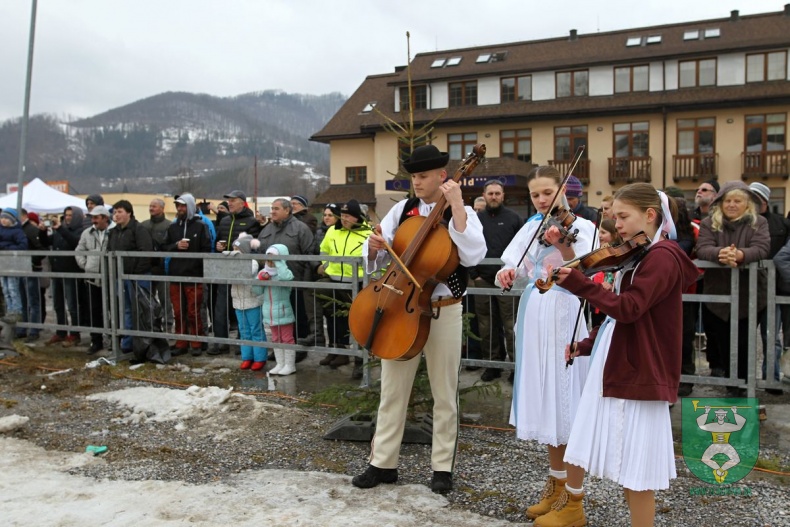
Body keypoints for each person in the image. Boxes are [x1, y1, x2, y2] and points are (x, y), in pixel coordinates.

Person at [554, 183, 698, 527]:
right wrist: (586, 345)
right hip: (621, 360)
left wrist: (579, 284)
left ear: (649, 216)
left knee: (638, 468)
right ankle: (577, 505)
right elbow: (617, 320)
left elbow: (630, 309)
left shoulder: (662, 257)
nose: (616, 224)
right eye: (613, 216)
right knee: (626, 462)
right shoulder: (642, 254)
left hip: (641, 369)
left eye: (623, 216)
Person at [351, 144, 486, 494]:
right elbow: (383, 259)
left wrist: (456, 204)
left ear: (443, 176)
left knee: (445, 392)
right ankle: (382, 463)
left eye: (423, 176)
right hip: (400, 307)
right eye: (413, 176)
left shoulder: (463, 211)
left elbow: (473, 254)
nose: (417, 182)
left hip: (444, 309)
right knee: (393, 390)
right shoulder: (403, 209)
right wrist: (374, 249)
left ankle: (442, 468)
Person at [495, 165, 596, 524]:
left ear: (563, 191)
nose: (541, 200)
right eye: (535, 194)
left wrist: (562, 241)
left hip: (566, 313)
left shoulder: (583, 227)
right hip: (536, 313)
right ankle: (555, 487)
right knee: (549, 406)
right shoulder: (529, 227)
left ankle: (574, 500)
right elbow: (515, 265)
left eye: (547, 193)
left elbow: (588, 271)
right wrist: (506, 273)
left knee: (566, 404)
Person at [695, 181, 769, 395]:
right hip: (717, 294)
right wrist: (722, 254)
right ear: (721, 202)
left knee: (745, 343)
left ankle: (744, 387)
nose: (732, 205)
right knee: (722, 342)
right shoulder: (710, 223)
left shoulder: (759, 222)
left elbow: (762, 248)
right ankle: (731, 385)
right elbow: (703, 248)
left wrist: (740, 255)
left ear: (747, 204)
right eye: (728, 200)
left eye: (738, 201)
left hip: (751, 295)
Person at [471, 180, 522, 382]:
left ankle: (514, 366)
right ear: (484, 194)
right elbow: (467, 245)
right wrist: (474, 273)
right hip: (482, 279)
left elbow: (522, 247)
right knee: (486, 324)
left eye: (497, 193)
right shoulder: (475, 220)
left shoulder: (514, 219)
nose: (494, 196)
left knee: (510, 324)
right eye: (490, 193)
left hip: (507, 280)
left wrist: (515, 272)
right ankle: (492, 364)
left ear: (503, 195)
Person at [317, 199, 373, 379]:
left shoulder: (368, 234)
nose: (344, 219)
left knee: (359, 324)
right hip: (334, 281)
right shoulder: (333, 230)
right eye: (342, 215)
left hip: (359, 285)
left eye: (348, 216)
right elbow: (324, 250)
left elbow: (378, 260)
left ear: (357, 217)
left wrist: (373, 279)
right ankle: (339, 353)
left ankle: (360, 362)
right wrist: (325, 265)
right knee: (334, 320)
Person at [257, 198, 315, 354]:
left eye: (276, 208)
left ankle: (298, 350)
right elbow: (260, 252)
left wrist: (305, 283)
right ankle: (280, 351)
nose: (272, 211)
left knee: (297, 318)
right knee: (278, 320)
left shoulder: (300, 228)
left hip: (295, 283)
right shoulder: (267, 229)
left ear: (287, 210)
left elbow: (310, 255)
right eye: (272, 208)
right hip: (273, 285)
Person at [210, 190, 262, 355]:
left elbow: (255, 246)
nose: (230, 203)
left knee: (242, 307)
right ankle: (221, 342)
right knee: (220, 308)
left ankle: (243, 342)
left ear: (242, 202)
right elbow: (217, 241)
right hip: (225, 269)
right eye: (228, 201)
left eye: (233, 200)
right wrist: (219, 247)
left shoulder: (252, 222)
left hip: (243, 271)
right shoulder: (224, 221)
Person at [748, 182, 788, 394]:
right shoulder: (742, 223)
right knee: (744, 336)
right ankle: (744, 380)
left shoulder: (781, 223)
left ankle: (771, 379)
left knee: (771, 337)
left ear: (764, 201)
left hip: (773, 290)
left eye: (756, 197)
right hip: (746, 289)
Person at [163, 194, 211, 356]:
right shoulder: (173, 227)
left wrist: (198, 266)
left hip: (194, 275)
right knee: (178, 311)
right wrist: (176, 245)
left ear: (189, 206)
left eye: (183, 206)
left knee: (193, 311)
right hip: (176, 275)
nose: (180, 209)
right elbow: (164, 246)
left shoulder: (200, 226)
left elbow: (207, 248)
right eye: (178, 206)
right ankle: (181, 342)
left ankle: (197, 342)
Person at [107, 200, 156, 358]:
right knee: (126, 309)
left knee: (141, 310)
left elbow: (145, 251)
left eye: (120, 211)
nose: (117, 215)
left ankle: (144, 342)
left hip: (137, 277)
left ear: (129, 212)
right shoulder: (114, 232)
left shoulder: (138, 229)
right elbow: (110, 252)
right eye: (115, 212)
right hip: (120, 277)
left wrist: (135, 274)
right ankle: (127, 343)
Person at [41, 207, 86, 347]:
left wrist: (60, 229)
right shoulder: (59, 231)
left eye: (71, 215)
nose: (68, 218)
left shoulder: (80, 231)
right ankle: (60, 332)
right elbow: (45, 242)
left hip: (71, 273)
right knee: (58, 305)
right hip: (57, 272)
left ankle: (74, 334)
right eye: (66, 215)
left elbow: (74, 243)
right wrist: (41, 231)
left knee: (72, 305)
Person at [75, 205, 112, 354]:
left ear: (105, 218)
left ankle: (113, 340)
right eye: (92, 218)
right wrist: (86, 266)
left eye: (96, 217)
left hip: (110, 278)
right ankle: (96, 341)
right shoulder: (87, 233)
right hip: (92, 278)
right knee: (94, 311)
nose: (93, 220)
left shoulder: (113, 232)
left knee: (112, 310)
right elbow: (79, 251)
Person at [228, 234, 268, 371]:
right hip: (238, 301)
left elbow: (245, 274)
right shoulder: (232, 263)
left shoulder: (252, 262)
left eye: (237, 249)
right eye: (233, 248)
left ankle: (260, 358)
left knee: (255, 329)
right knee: (244, 330)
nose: (234, 252)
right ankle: (247, 357)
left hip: (252, 301)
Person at [291, 195, 324, 349]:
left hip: (304, 269)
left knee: (303, 309)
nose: (293, 206)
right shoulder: (287, 221)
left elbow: (308, 243)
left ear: (303, 205)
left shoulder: (308, 219)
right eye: (290, 204)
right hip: (292, 269)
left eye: (295, 204)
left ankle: (305, 338)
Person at [258, 244, 297, 375]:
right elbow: (256, 290)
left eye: (274, 259)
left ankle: (290, 365)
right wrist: (259, 279)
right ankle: (280, 363)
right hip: (269, 314)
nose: (271, 262)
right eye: (269, 259)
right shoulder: (264, 273)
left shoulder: (284, 273)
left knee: (287, 338)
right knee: (276, 339)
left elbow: (287, 277)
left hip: (283, 311)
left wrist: (279, 262)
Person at [141, 198, 173, 333]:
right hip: (147, 269)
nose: (151, 208)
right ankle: (150, 325)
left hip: (162, 270)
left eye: (154, 206)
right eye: (150, 205)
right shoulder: (143, 225)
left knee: (166, 300)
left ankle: (168, 325)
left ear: (162, 208)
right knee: (147, 300)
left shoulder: (169, 225)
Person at [589, 219, 622, 327]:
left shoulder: (617, 252)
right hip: (597, 296)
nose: (599, 236)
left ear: (614, 234)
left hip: (608, 294)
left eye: (603, 232)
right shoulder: (598, 250)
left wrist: (610, 282)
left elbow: (612, 271)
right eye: (599, 232)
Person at [18, 209, 44, 342]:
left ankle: (34, 329)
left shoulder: (31, 230)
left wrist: (31, 260)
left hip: (31, 269)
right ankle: (23, 327)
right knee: (23, 300)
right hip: (19, 269)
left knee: (33, 300)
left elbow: (42, 249)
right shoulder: (19, 230)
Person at [0, 209, 28, 326]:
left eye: (6, 218)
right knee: (5, 289)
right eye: (2, 217)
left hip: (12, 264)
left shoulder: (17, 232)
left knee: (13, 288)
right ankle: (10, 310)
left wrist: (7, 248)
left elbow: (23, 245)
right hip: (2, 264)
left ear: (12, 220)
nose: (3, 220)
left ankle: (16, 311)